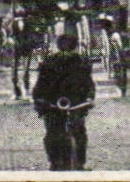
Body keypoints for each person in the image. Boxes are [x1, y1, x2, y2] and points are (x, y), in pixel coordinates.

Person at [32, 32, 95, 170]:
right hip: (67, 104)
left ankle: (60, 163)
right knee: (76, 132)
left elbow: (39, 87)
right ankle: (76, 163)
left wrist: (39, 101)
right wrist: (89, 99)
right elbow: (89, 85)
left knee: (56, 133)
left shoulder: (50, 62)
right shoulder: (80, 62)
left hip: (59, 105)